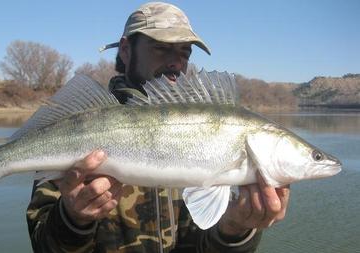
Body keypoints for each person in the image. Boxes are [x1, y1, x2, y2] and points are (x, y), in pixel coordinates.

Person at [27, 2, 290, 252]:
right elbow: (43, 245)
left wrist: (235, 229)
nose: (176, 62)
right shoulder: (80, 126)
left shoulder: (208, 141)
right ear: (126, 50)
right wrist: (73, 219)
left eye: (184, 52)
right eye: (162, 48)